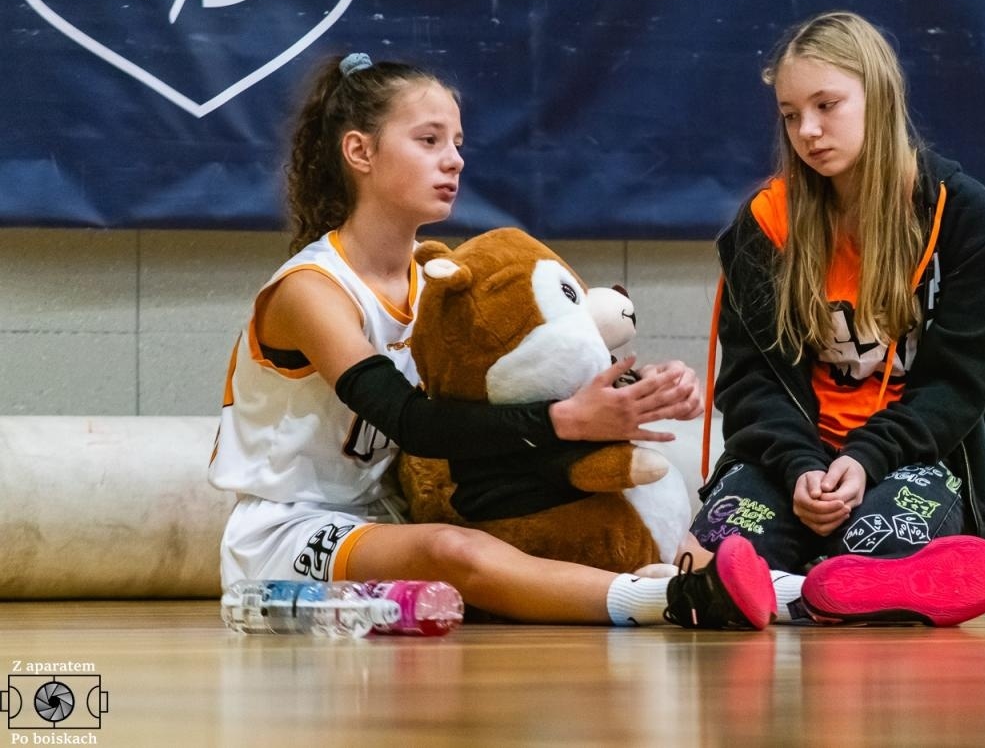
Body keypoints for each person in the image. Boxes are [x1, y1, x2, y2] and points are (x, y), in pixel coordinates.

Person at [208, 52, 776, 629]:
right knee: (454, 551)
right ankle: (669, 601)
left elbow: (496, 401)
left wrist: (632, 389)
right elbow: (412, 422)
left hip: (403, 509)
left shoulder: (433, 277)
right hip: (294, 528)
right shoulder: (311, 290)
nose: (453, 160)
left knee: (591, 498)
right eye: (429, 140)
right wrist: (567, 420)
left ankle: (785, 594)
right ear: (360, 152)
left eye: (457, 142)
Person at [681, 10, 985, 626]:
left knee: (869, 544)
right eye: (790, 114)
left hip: (912, 460)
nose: (807, 130)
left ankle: (790, 592)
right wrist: (803, 466)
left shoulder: (964, 216)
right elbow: (750, 385)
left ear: (878, 97)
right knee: (709, 558)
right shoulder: (764, 225)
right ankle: (820, 596)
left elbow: (958, 386)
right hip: (792, 461)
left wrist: (862, 459)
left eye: (826, 105)